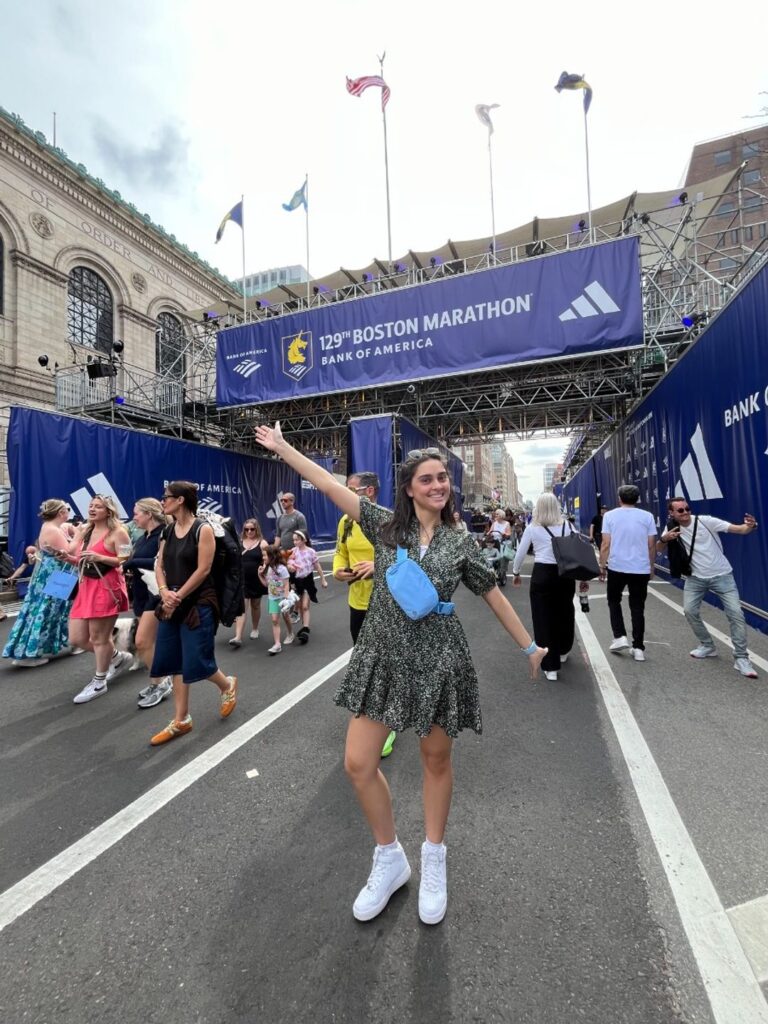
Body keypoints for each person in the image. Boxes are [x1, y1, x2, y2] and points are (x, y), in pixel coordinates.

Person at [255, 423, 546, 926]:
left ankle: (434, 856)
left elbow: (493, 595)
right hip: (382, 656)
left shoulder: (460, 543)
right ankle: (390, 857)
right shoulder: (386, 526)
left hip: (439, 660)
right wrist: (284, 449)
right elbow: (328, 486)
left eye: (443, 479)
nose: (438, 485)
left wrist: (529, 646)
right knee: (358, 763)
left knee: (435, 761)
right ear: (409, 487)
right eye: (427, 479)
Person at [148, 481, 238, 745]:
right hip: (171, 601)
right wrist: (165, 591)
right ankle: (182, 719)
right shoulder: (167, 530)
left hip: (198, 602)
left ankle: (227, 685)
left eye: (166, 497)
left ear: (180, 500)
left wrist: (178, 596)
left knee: (196, 660)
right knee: (174, 660)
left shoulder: (203, 529)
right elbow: (159, 564)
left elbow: (204, 570)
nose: (162, 502)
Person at [658, 498, 760, 678]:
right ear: (671, 513)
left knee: (736, 614)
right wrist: (665, 538)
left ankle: (741, 658)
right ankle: (707, 645)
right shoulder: (671, 527)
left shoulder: (706, 521)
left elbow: (739, 529)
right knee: (689, 611)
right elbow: (659, 546)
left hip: (722, 576)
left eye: (687, 508)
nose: (685, 512)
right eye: (680, 510)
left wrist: (750, 526)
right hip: (695, 579)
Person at [334, 472, 397, 760]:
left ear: (369, 491)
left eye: (351, 489)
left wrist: (377, 563)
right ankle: (372, 712)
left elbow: (406, 557)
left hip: (386, 603)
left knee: (384, 661)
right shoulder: (346, 521)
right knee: (363, 658)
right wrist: (338, 570)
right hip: (357, 602)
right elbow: (340, 553)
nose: (345, 494)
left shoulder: (389, 520)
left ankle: (387, 723)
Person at [68, 495, 133, 702]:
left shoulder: (118, 532)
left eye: (98, 507)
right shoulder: (86, 530)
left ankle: (99, 681)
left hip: (106, 586)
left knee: (99, 638)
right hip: (86, 585)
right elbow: (81, 559)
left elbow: (125, 559)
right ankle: (117, 657)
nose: (93, 509)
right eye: (91, 506)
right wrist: (66, 557)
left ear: (109, 511)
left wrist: (100, 557)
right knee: (77, 638)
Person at [2, 501, 78, 666]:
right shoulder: (53, 529)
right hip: (55, 575)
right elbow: (69, 552)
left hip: (50, 574)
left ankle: (30, 650)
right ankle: (31, 652)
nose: (68, 512)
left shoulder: (50, 527)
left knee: (45, 609)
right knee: (47, 610)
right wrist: (79, 537)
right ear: (60, 513)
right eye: (66, 509)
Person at [511, 493, 576, 682]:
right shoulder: (568, 525)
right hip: (565, 574)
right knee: (565, 612)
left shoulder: (533, 528)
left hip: (542, 573)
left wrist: (515, 573)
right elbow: (576, 551)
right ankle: (563, 650)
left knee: (543, 618)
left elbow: (521, 553)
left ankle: (550, 666)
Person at [121, 498, 173, 709]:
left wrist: (132, 562)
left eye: (137, 513)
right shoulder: (144, 536)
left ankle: (162, 682)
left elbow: (163, 561)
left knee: (142, 642)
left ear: (149, 514)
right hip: (141, 594)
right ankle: (156, 681)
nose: (134, 517)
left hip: (155, 593)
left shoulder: (163, 534)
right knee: (149, 643)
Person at [598, 485, 658, 662]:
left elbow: (606, 544)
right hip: (640, 568)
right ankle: (638, 647)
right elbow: (651, 544)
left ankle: (619, 636)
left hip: (617, 566)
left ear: (619, 498)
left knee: (613, 601)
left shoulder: (609, 515)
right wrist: (651, 566)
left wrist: (602, 565)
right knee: (638, 607)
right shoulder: (647, 516)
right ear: (638, 499)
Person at [229, 518, 269, 647]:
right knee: (242, 608)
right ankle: (238, 637)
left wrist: (264, 567)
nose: (249, 532)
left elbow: (268, 559)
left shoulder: (262, 543)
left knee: (255, 605)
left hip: (257, 579)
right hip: (242, 580)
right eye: (246, 529)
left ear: (256, 529)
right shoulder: (240, 542)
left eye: (252, 529)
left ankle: (255, 628)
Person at [286, 530, 328, 642]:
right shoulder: (292, 552)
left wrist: (323, 579)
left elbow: (317, 566)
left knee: (305, 606)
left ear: (304, 540)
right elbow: (289, 563)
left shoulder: (311, 552)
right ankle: (297, 614)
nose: (295, 542)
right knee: (299, 604)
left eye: (297, 540)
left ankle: (305, 629)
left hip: (307, 581)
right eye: (293, 540)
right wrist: (290, 567)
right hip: (296, 581)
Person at [259, 543, 294, 655]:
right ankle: (277, 644)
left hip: (282, 598)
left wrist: (286, 598)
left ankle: (290, 633)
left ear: (272, 556)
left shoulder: (282, 568)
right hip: (273, 598)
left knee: (286, 617)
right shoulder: (266, 568)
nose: (263, 558)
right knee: (274, 620)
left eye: (265, 556)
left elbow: (286, 585)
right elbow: (266, 585)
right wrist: (260, 575)